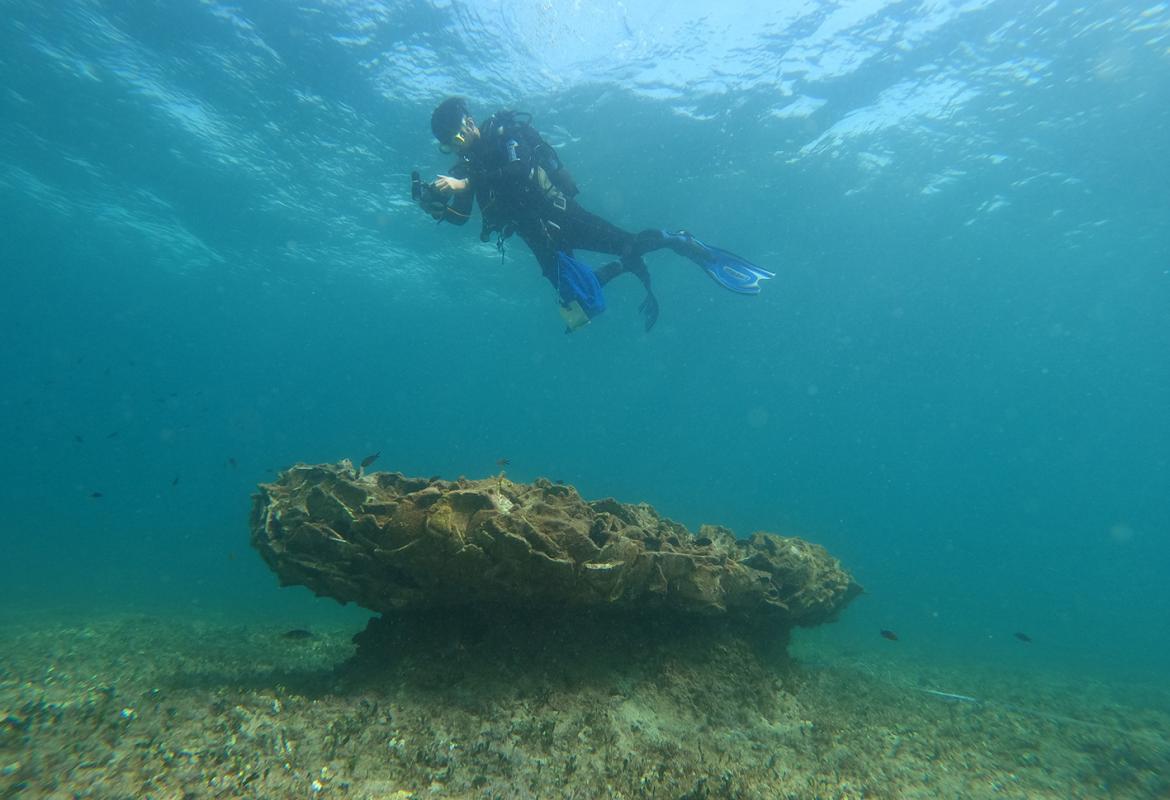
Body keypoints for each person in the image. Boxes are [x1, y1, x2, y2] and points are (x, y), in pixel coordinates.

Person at [415, 97, 774, 332]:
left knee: (629, 245)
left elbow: (521, 170)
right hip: (539, 241)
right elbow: (461, 217)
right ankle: (626, 264)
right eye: (448, 145)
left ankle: (675, 240)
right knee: (581, 312)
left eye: (456, 140)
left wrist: (466, 183)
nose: (456, 148)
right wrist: (436, 207)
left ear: (468, 123)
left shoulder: (504, 133)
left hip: (562, 216)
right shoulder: (466, 167)